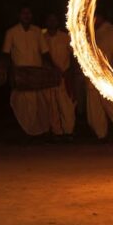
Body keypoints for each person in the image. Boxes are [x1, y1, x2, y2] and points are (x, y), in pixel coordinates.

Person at [3, 6, 52, 139]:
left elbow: (45, 52)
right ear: (19, 15)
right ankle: (25, 132)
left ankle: (38, 132)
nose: (27, 16)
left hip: (36, 74)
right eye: (24, 13)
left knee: (39, 103)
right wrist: (10, 73)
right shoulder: (11, 32)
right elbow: (6, 54)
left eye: (29, 13)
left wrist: (53, 67)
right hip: (20, 74)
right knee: (21, 103)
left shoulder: (37, 32)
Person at [43, 13, 75, 141]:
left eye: (54, 20)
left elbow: (74, 55)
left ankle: (68, 132)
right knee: (52, 105)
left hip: (63, 75)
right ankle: (57, 133)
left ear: (58, 22)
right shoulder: (42, 37)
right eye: (49, 19)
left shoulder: (65, 37)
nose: (52, 22)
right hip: (48, 77)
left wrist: (70, 71)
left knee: (66, 105)